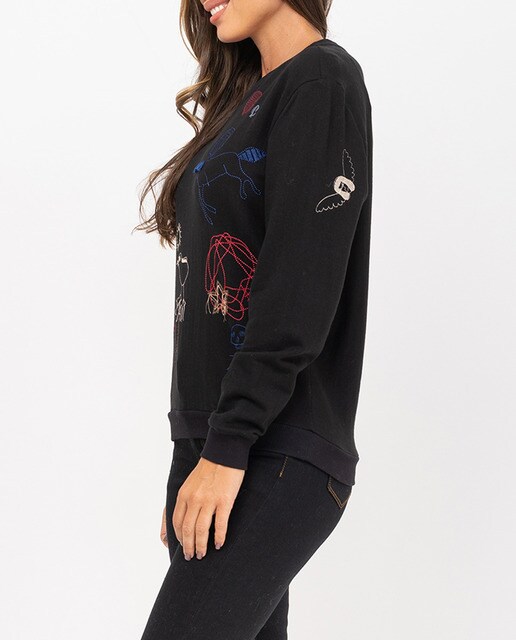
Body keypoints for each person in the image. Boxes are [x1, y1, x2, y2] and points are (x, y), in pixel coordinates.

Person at [135, 0, 373, 637]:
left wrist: (226, 446)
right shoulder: (246, 102)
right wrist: (196, 450)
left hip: (273, 446)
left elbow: (298, 290)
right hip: (222, 444)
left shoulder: (322, 80)